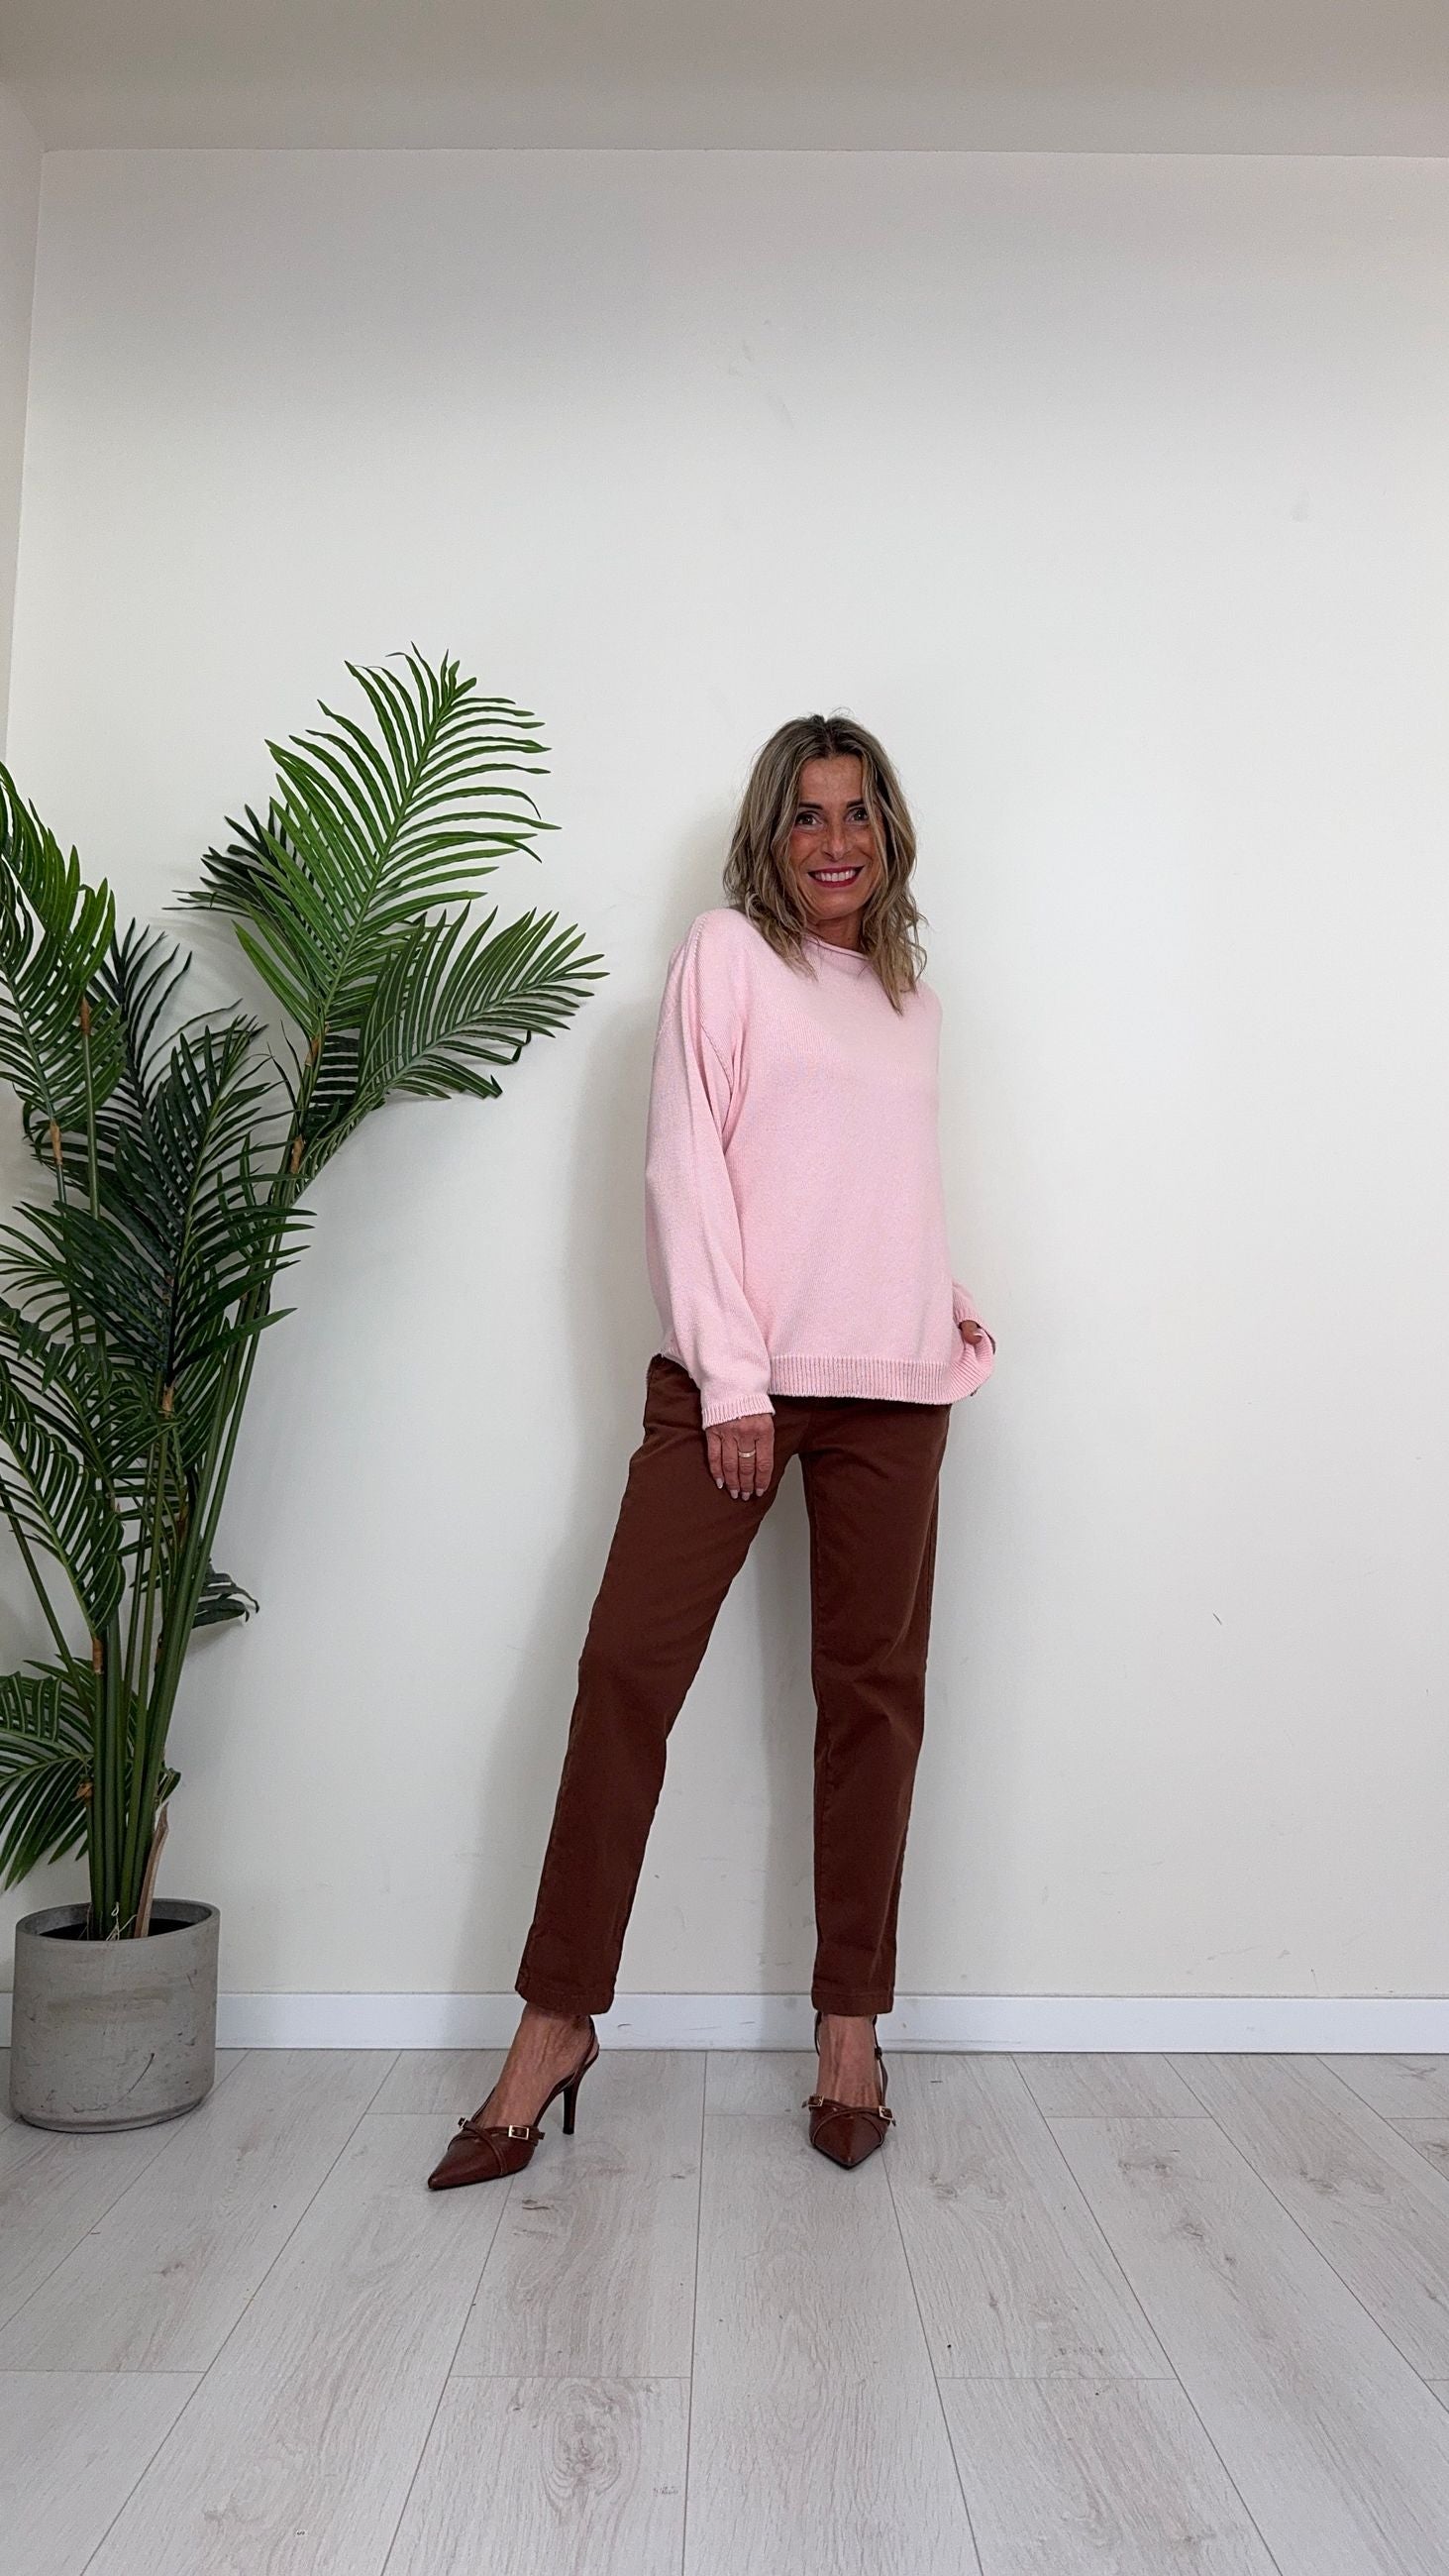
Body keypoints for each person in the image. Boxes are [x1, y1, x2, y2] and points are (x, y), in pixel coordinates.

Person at [428, 713, 995, 2189]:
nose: (835, 842)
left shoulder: (913, 1002)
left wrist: (933, 1303)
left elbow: (868, 1188)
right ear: (769, 834)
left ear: (890, 833)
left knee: (872, 1702)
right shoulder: (726, 958)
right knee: (627, 1669)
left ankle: (851, 2029)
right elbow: (688, 1169)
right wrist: (734, 1381)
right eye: (808, 815)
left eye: (858, 814)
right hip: (729, 1386)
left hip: (892, 1390)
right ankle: (557, 2021)